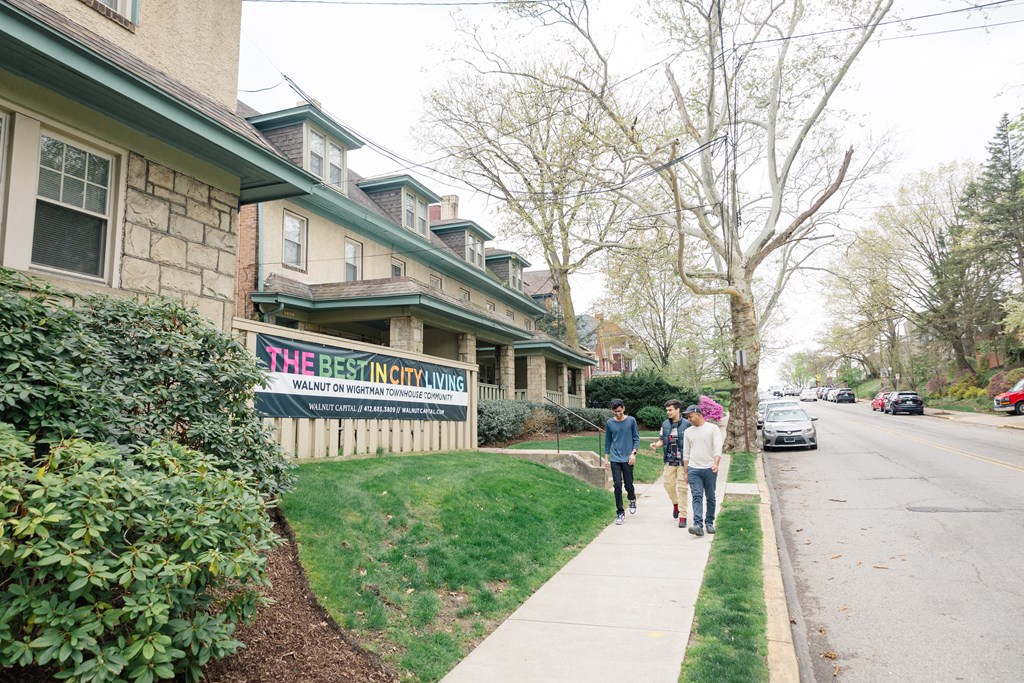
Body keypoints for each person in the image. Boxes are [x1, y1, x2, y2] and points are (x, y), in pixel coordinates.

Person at [682, 404, 723, 537]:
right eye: (687, 417)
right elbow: (686, 452)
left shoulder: (712, 428)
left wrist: (716, 464)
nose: (689, 419)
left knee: (710, 496)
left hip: (709, 468)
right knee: (696, 496)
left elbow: (718, 448)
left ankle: (709, 522)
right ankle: (698, 525)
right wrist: (686, 471)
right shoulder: (688, 432)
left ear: (699, 415)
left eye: (690, 416)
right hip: (694, 469)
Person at [649, 399, 690, 528]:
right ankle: (676, 504)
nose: (668, 412)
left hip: (683, 462)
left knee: (682, 489)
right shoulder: (665, 424)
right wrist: (656, 444)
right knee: (668, 485)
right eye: (667, 410)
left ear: (678, 410)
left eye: (670, 410)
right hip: (670, 460)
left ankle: (683, 516)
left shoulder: (687, 424)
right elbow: (662, 440)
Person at [604, 398, 639, 526]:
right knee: (617, 485)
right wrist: (606, 459)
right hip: (615, 458)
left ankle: (632, 498)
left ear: (623, 408)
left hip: (628, 458)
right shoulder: (610, 423)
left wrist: (633, 454)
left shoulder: (631, 421)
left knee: (628, 485)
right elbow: (607, 441)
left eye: (619, 411)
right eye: (615, 412)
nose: (617, 414)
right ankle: (620, 512)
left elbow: (636, 438)